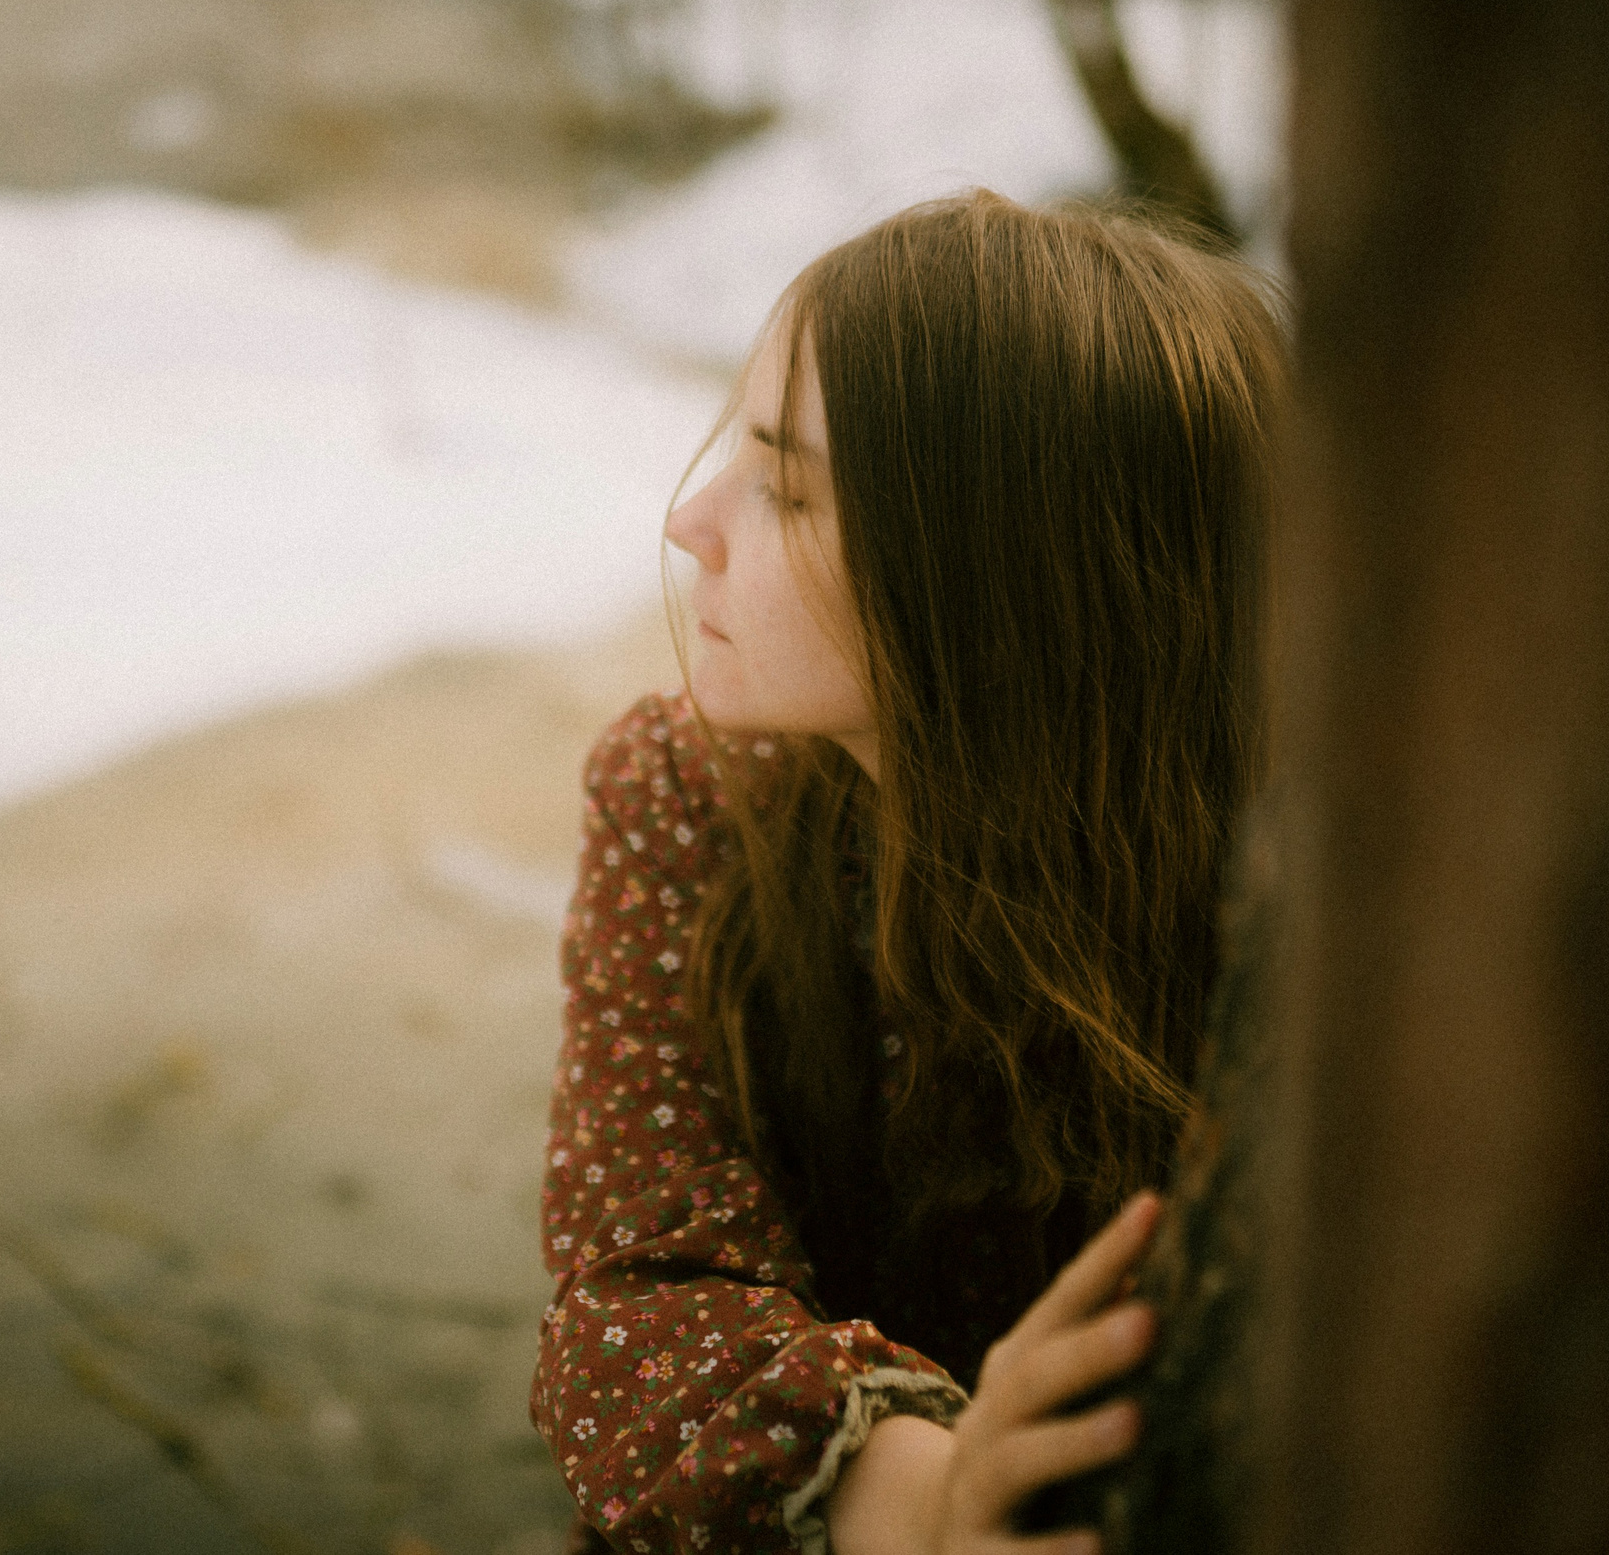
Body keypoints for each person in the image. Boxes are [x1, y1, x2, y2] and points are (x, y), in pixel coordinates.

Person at [530, 190, 1283, 1554]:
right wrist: (924, 1497)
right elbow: (631, 1300)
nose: (691, 522)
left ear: (998, 582)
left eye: (790, 488)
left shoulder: (1283, 880)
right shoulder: (690, 801)